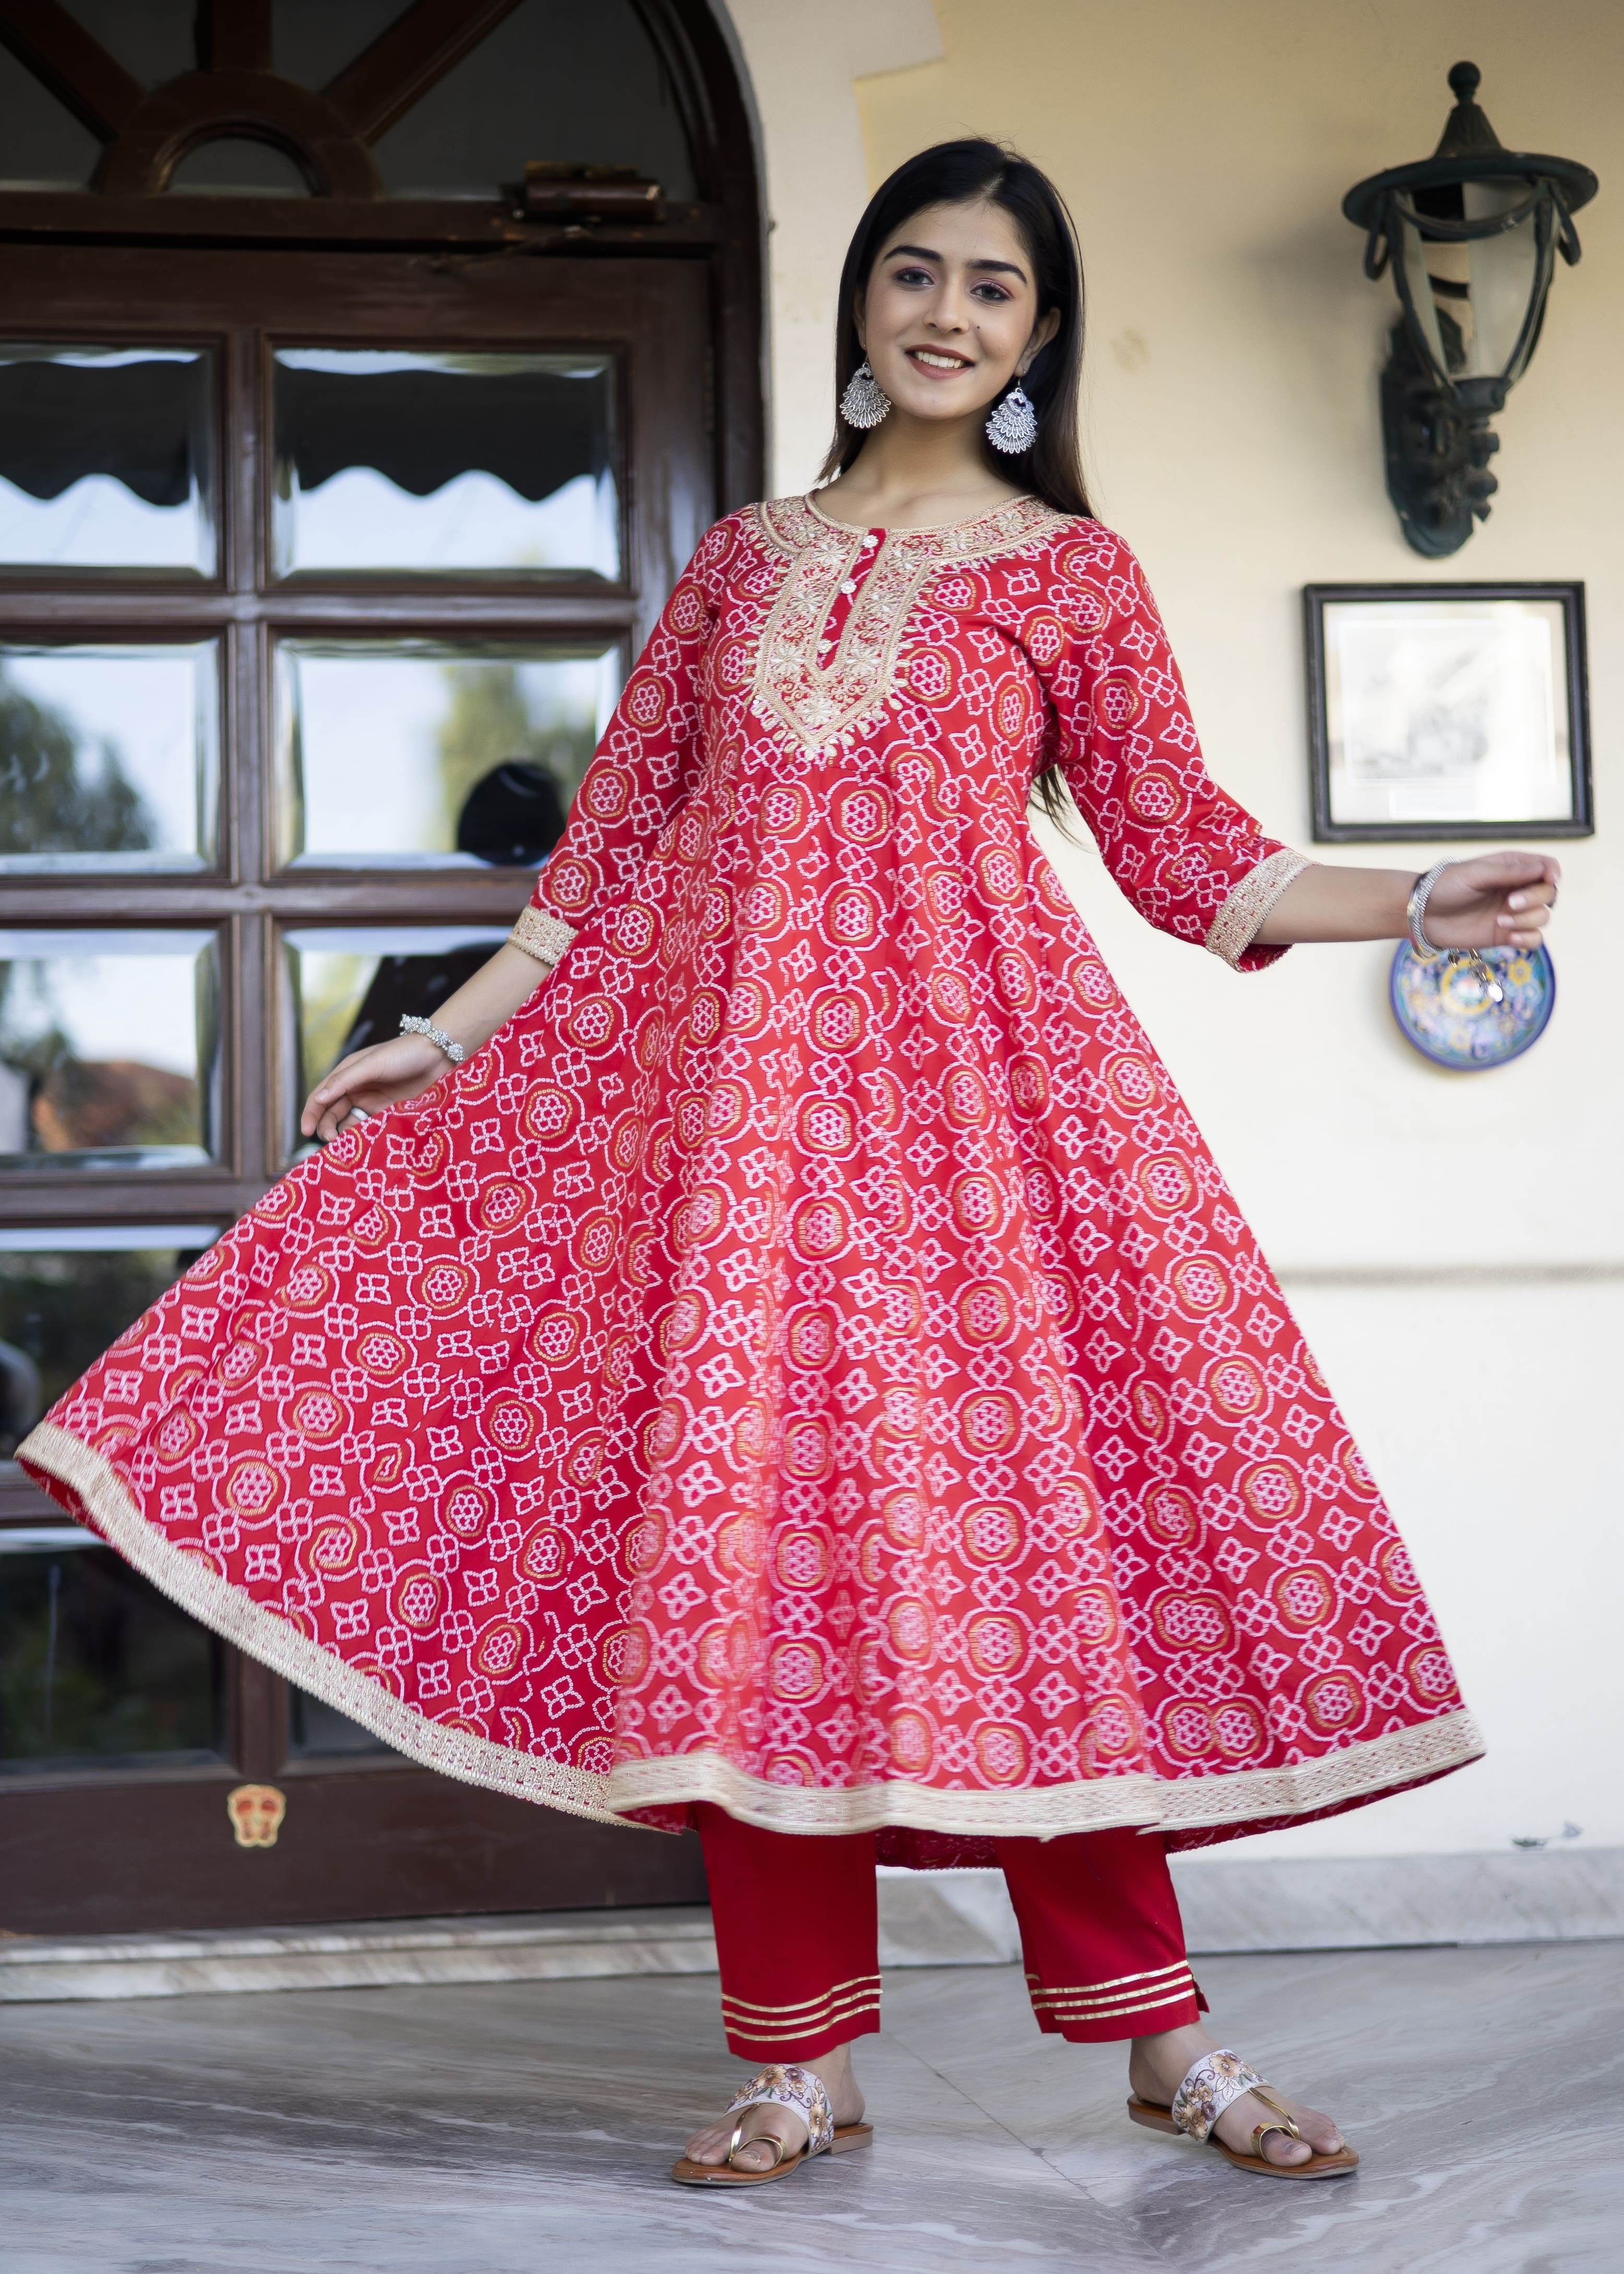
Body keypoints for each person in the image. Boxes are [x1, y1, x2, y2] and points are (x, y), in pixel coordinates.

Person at [19, 140, 1556, 2189]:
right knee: (757, 1592)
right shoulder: (741, 563)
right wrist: (443, 1040)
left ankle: (1159, 2039)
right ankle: (797, 2063)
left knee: (1037, 1576)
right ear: (858, 305)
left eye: (993, 286)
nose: (946, 311)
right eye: (913, 271)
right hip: (735, 1153)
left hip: (989, 1149)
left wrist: (1415, 894)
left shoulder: (1066, 576)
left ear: (1037, 333)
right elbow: (611, 858)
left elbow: (1190, 847)